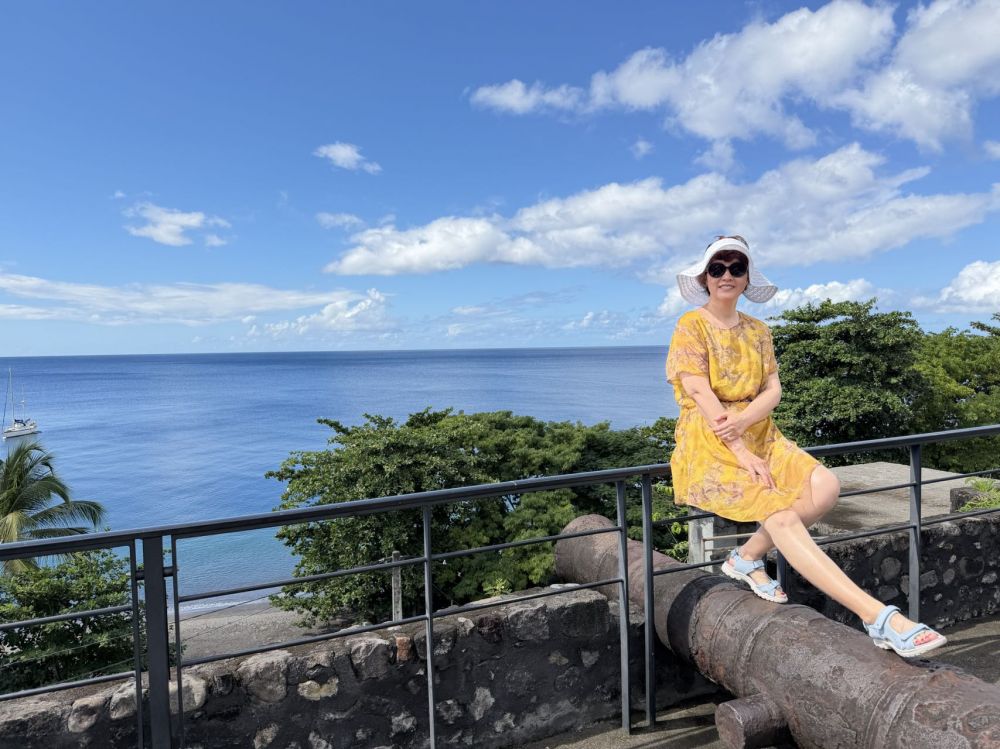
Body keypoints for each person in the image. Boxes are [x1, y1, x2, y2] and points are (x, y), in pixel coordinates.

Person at [665, 235, 946, 658]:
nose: (726, 275)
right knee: (779, 514)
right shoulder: (691, 325)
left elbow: (773, 389)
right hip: (711, 436)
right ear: (705, 277)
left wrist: (746, 422)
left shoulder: (758, 331)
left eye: (736, 267)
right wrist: (741, 450)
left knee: (825, 487)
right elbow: (699, 391)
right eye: (717, 267)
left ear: (747, 278)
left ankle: (746, 558)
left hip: (759, 429)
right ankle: (878, 617)